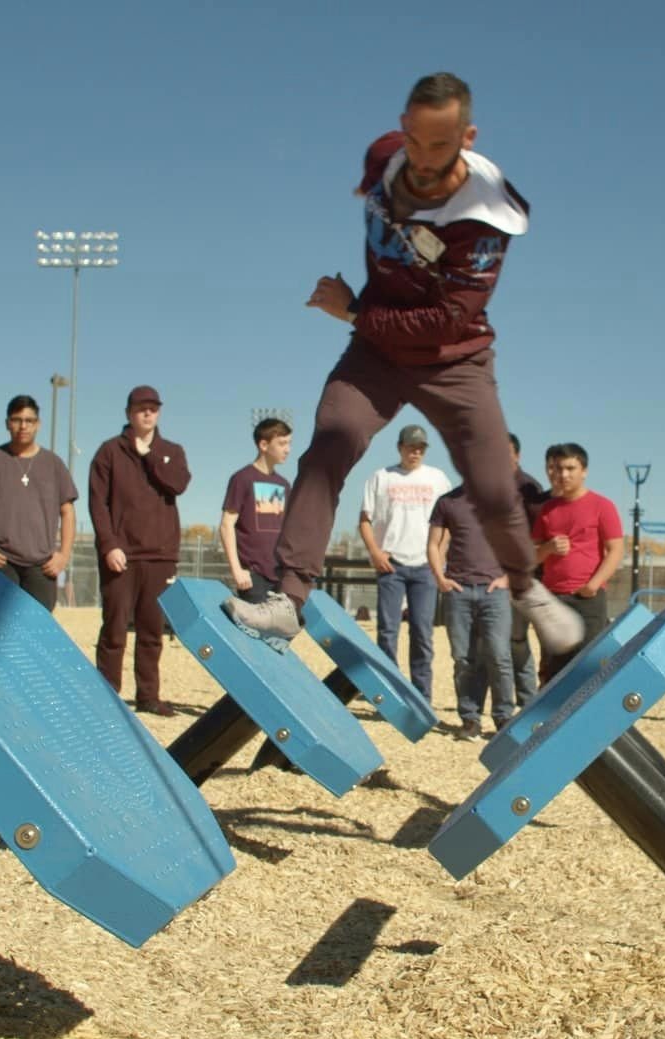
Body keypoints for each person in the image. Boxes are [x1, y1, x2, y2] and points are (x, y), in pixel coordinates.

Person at [224, 73, 582, 666]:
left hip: (454, 358)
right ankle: (288, 599)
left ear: (467, 138)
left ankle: (527, 589)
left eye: (438, 147)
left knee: (494, 488)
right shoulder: (386, 159)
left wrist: (356, 309)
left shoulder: (487, 220)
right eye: (413, 141)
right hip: (376, 357)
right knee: (327, 450)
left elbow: (444, 322)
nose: (420, 161)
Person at [88, 386, 190, 714]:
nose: (147, 414)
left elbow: (178, 484)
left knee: (151, 630)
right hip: (122, 554)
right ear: (129, 413)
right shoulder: (109, 452)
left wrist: (149, 455)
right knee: (115, 627)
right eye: (141, 408)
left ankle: (148, 696)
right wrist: (109, 545)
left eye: (153, 409)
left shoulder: (171, 451)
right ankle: (106, 693)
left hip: (160, 555)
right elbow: (98, 504)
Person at [0, 395, 76, 611]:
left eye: (29, 420)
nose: (23, 426)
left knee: (38, 629)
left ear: (38, 424)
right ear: (7, 423)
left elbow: (68, 511)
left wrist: (64, 555)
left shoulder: (53, 464)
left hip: (42, 564)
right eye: (16, 420)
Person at [359, 424, 448, 698]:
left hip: (424, 566)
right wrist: (374, 551)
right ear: (400, 447)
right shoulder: (381, 477)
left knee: (422, 632)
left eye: (420, 447)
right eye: (411, 446)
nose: (416, 452)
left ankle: (421, 695)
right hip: (391, 565)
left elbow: (449, 523)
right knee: (388, 631)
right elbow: (365, 519)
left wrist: (440, 557)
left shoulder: (438, 479)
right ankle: (390, 691)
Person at [426, 481, 513, 739]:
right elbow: (433, 544)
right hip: (459, 591)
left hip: (494, 591)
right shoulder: (447, 502)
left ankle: (504, 718)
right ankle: (470, 720)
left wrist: (509, 577)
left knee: (499, 655)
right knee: (463, 658)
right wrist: (440, 579)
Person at [532, 443, 625, 682]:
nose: (564, 475)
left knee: (590, 666)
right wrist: (548, 548)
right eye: (560, 468)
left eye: (571, 468)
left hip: (588, 599)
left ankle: (595, 718)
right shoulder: (547, 510)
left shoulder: (602, 506)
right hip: (552, 598)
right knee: (553, 667)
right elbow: (532, 556)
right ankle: (553, 718)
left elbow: (616, 550)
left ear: (584, 471)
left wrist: (593, 585)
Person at [220, 417, 292, 602]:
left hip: (280, 577)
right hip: (253, 577)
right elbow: (226, 526)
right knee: (252, 631)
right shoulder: (242, 479)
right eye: (282, 443)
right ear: (264, 445)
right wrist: (237, 570)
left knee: (280, 631)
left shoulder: (284, 485)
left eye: (289, 443)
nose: (288, 449)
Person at [507, 432, 549, 707]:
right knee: (516, 641)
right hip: (505, 578)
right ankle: (526, 700)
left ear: (517, 455)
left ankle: (547, 697)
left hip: (533, 578)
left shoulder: (530, 489)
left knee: (547, 642)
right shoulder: (485, 485)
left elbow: (541, 534)